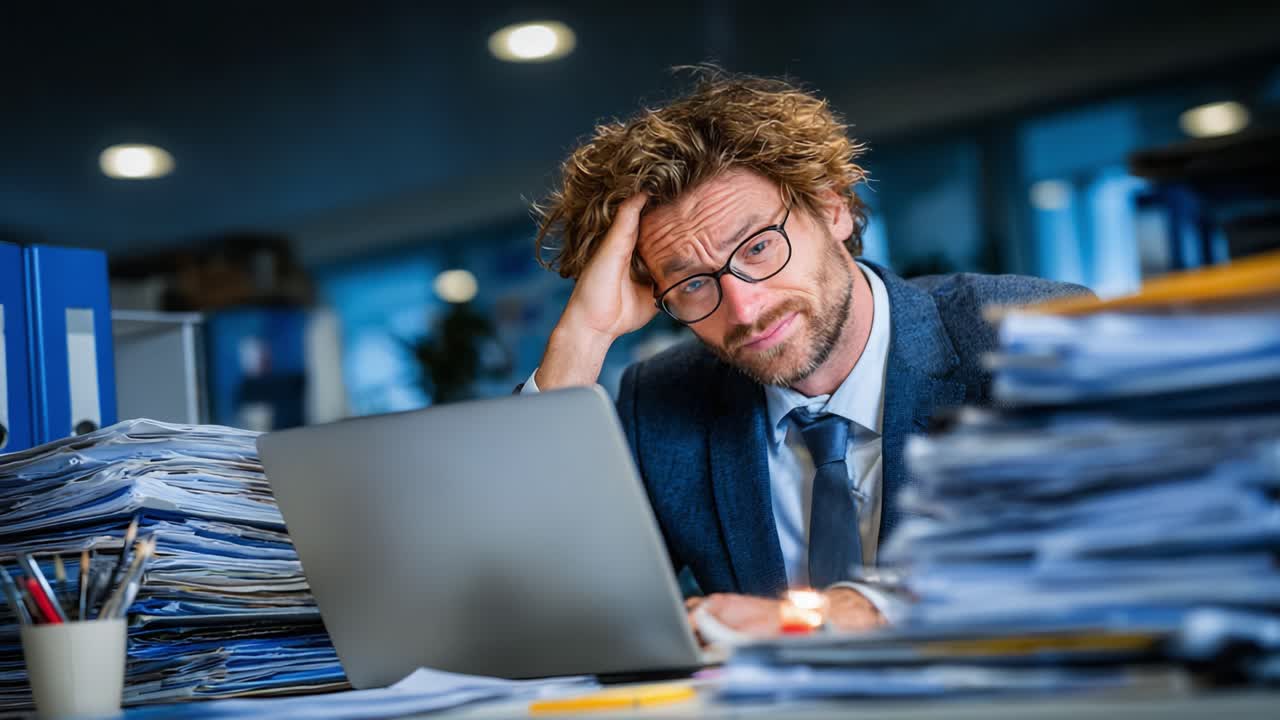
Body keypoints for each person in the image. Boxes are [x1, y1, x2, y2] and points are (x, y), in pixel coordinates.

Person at [520, 70, 1089, 636]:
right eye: (692, 283)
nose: (743, 308)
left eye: (760, 247)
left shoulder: (1031, 337)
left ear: (833, 208)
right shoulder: (664, 400)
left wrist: (815, 617)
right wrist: (581, 343)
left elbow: (1087, 554)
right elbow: (551, 606)